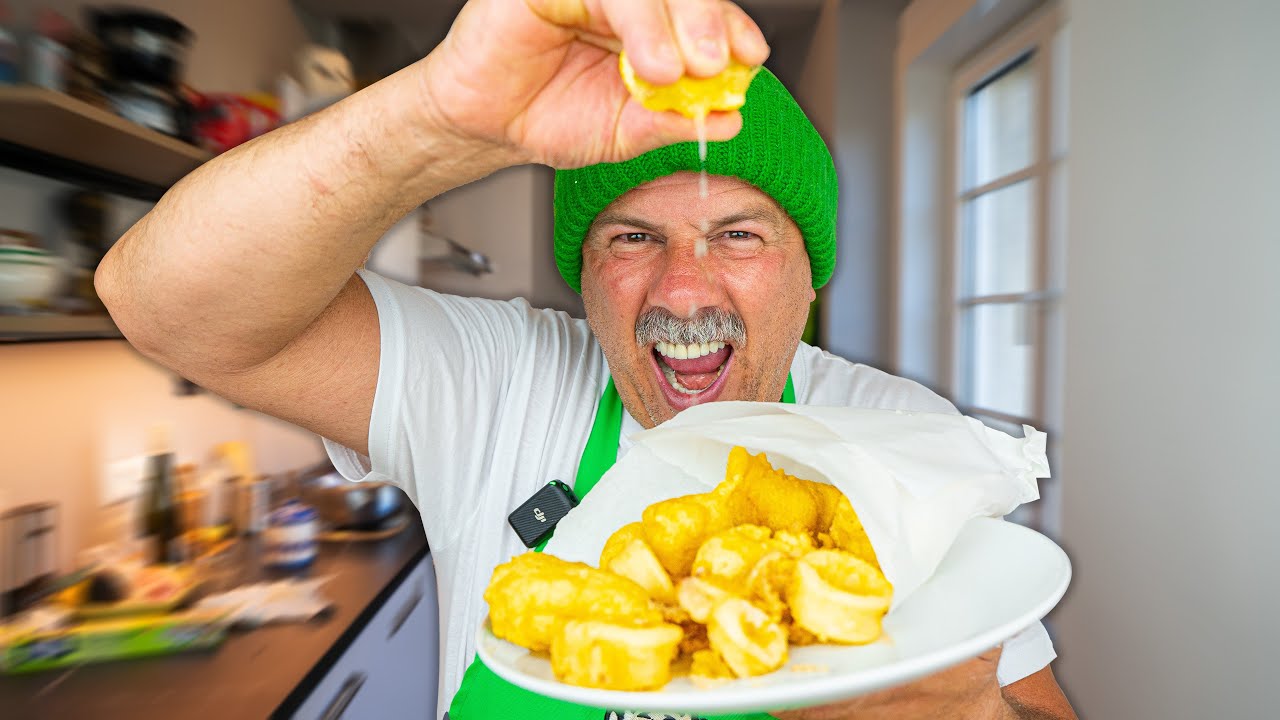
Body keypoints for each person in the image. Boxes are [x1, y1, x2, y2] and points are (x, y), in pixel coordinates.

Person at [96, 1, 1077, 718]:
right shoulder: (498, 384)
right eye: (631, 238)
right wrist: (438, 116)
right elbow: (164, 306)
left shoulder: (908, 444)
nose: (682, 292)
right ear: (583, 275)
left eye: (738, 235)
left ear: (809, 277)